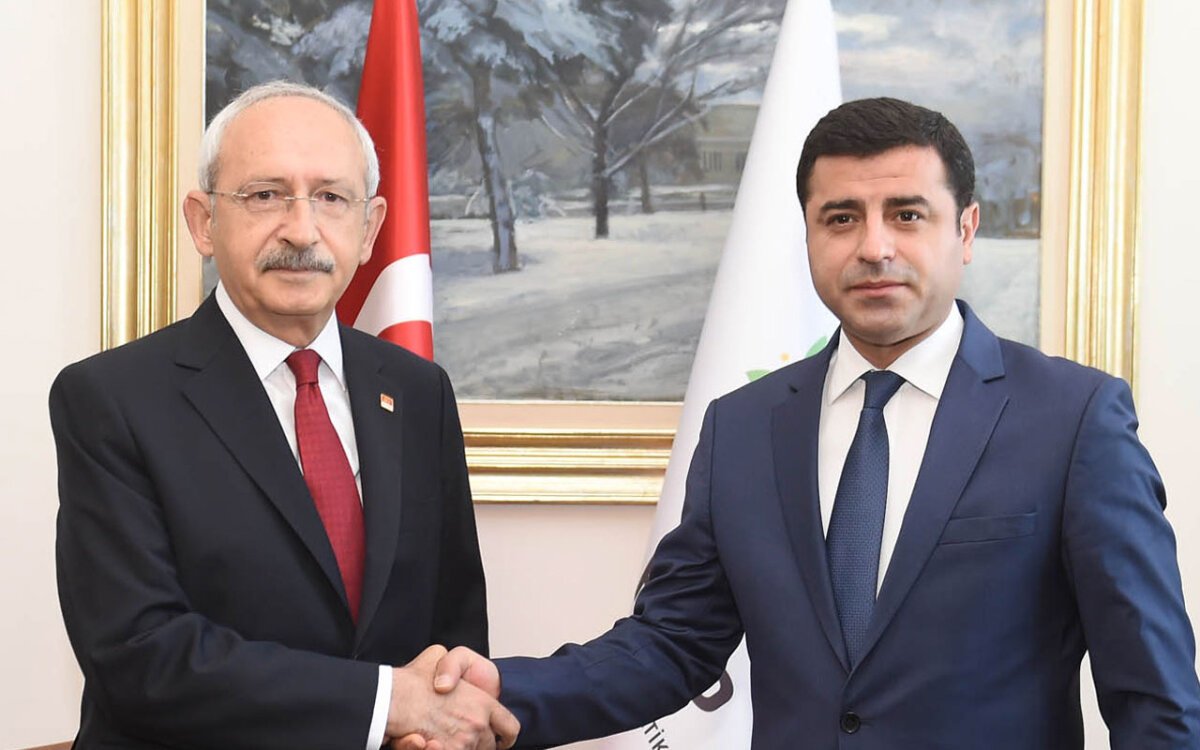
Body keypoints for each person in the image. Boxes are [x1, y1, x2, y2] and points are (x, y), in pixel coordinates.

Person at [415, 98, 1200, 749]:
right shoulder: (743, 428)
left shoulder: (1074, 418)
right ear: (810, 236)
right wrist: (504, 690)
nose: (874, 247)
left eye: (907, 214)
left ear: (964, 230)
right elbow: (672, 645)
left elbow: (1154, 696)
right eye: (841, 218)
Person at [50, 81, 517, 750]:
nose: (302, 231)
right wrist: (387, 705)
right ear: (204, 222)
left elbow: (455, 627)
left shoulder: (419, 391)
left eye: (331, 198)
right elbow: (142, 656)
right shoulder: (111, 399)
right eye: (265, 195)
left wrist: (440, 719)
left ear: (370, 229)